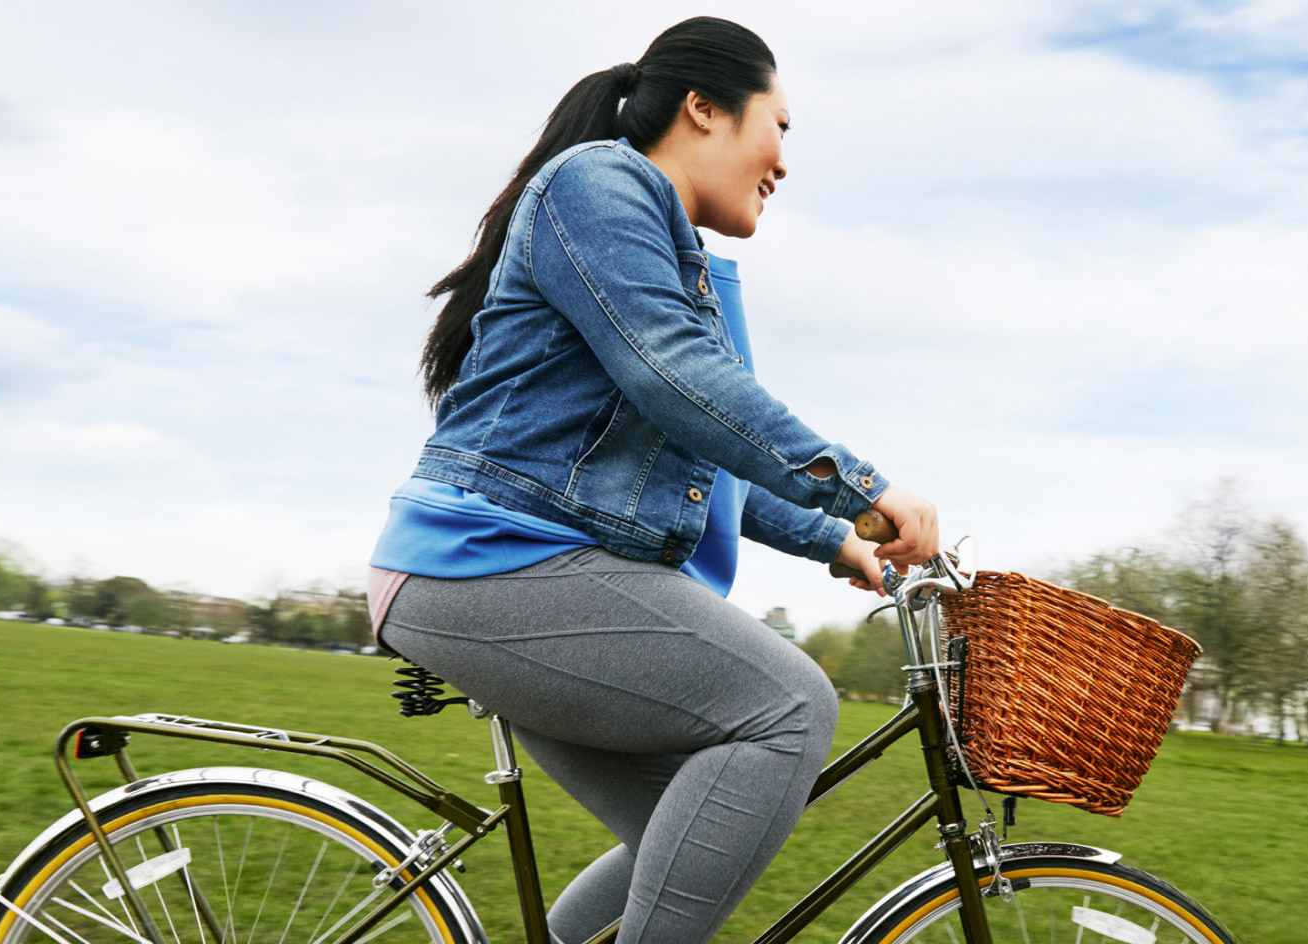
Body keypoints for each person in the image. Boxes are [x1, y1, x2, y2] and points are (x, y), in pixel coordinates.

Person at [365, 16, 940, 944]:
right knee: (790, 706)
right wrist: (862, 487)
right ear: (704, 109)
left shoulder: (672, 249)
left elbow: (702, 453)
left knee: (687, 828)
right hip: (487, 565)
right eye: (781, 126)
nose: (786, 159)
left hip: (510, 577)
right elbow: (675, 376)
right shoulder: (599, 182)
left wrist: (836, 537)